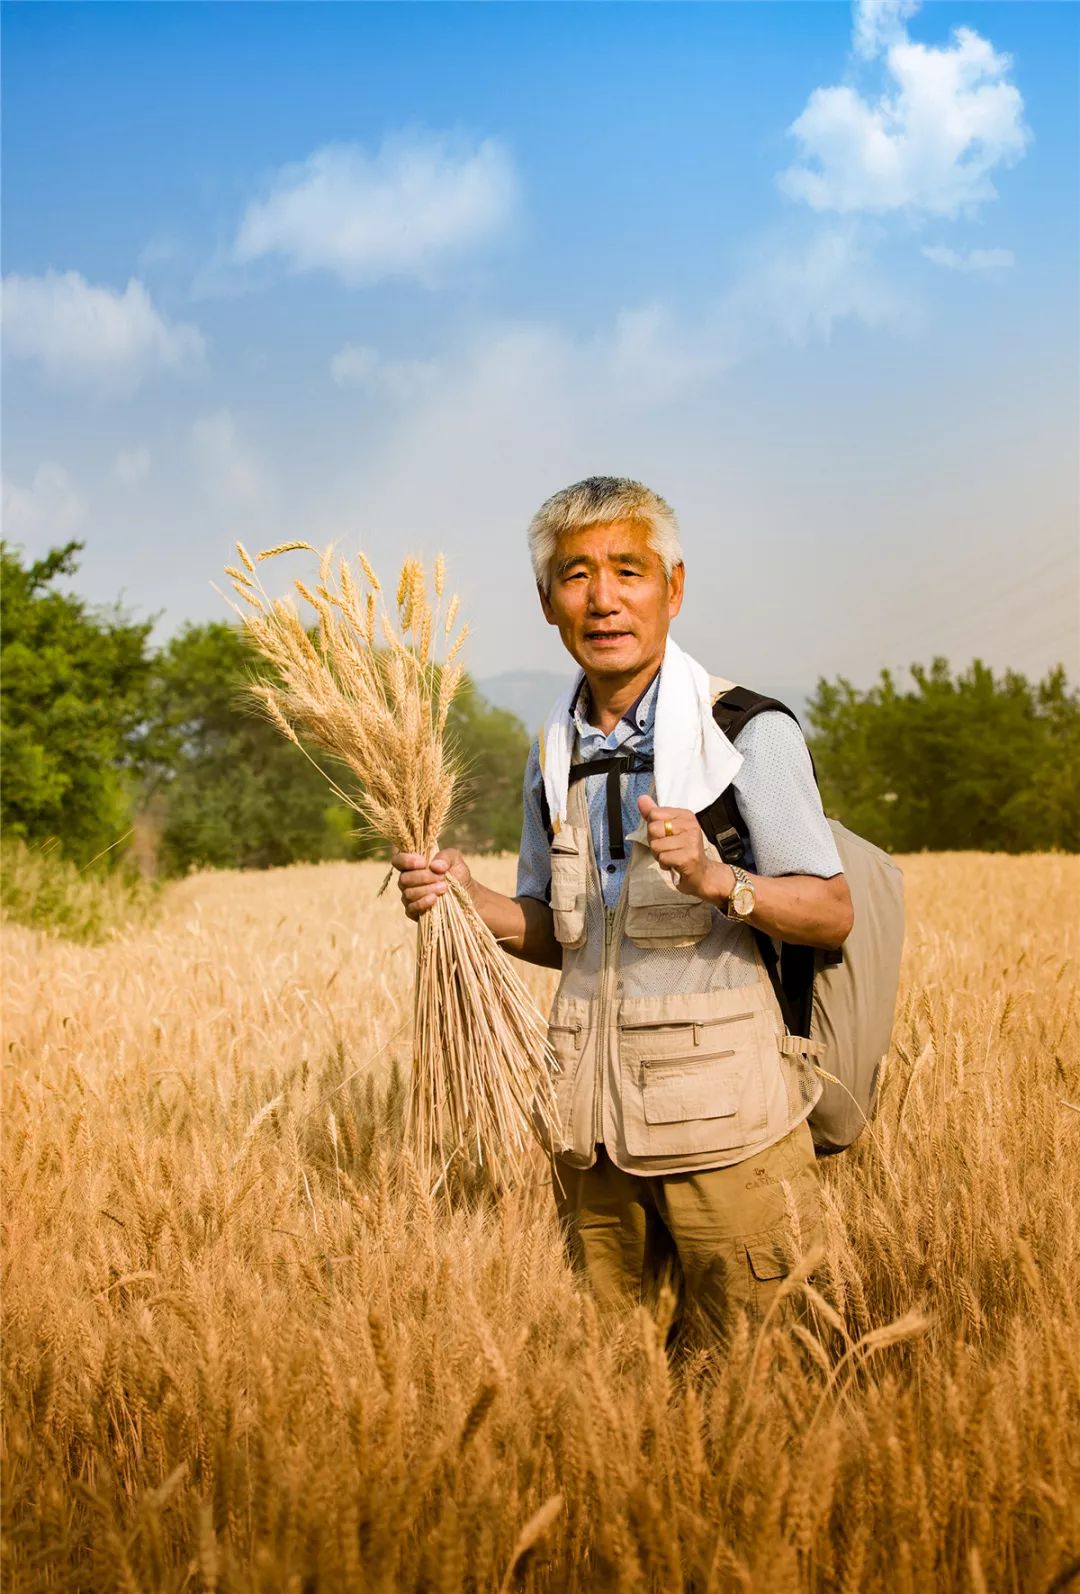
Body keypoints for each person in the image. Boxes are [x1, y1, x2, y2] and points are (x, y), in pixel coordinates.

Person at [391, 476, 853, 1347]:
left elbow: (831, 912)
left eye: (628, 571)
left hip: (730, 1135)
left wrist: (724, 883)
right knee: (625, 1397)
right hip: (592, 1143)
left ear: (673, 590)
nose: (602, 599)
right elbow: (562, 933)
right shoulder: (552, 755)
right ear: (546, 602)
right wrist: (466, 902)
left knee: (776, 1385)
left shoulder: (748, 734)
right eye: (576, 575)